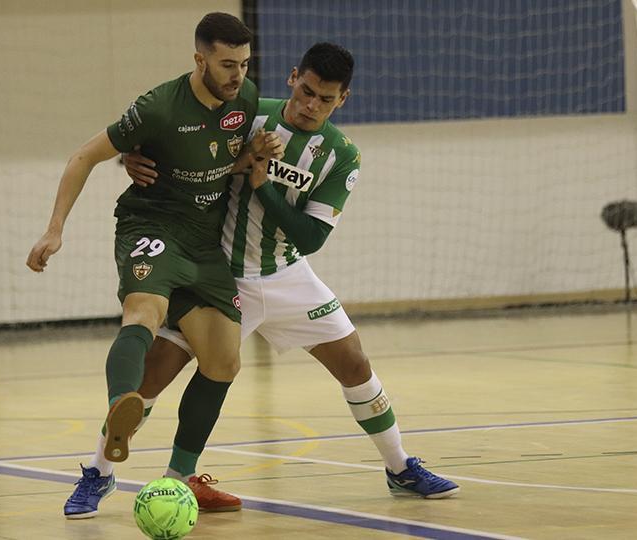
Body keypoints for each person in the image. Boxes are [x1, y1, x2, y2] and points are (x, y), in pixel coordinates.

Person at [122, 42, 460, 507]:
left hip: (287, 273)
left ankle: (399, 467)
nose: (310, 105)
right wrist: (133, 155)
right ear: (293, 77)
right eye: (306, 91)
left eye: (325, 99)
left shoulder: (342, 155)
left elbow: (311, 237)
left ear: (343, 99)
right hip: (220, 274)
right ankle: (100, 472)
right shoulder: (247, 115)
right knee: (155, 371)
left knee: (354, 362)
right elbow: (180, 144)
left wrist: (263, 187)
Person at [26, 13, 281, 519]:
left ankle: (178, 479)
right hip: (152, 226)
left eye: (244, 64)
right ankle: (118, 416)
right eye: (227, 64)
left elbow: (217, 162)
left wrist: (254, 155)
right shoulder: (158, 106)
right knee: (144, 311)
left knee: (224, 362)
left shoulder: (246, 98)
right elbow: (83, 157)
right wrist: (54, 229)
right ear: (199, 60)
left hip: (203, 243)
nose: (238, 75)